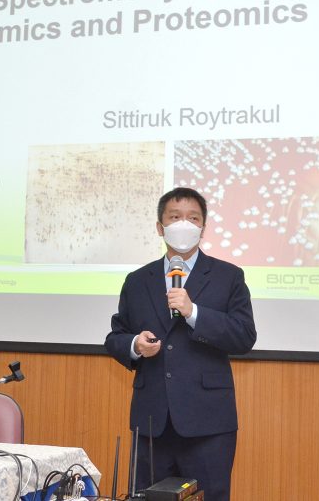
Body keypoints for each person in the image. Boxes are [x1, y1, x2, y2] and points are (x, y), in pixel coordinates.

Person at [105, 187, 257, 501]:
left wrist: (193, 313)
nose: (184, 224)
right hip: (152, 422)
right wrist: (135, 345)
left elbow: (244, 336)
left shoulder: (228, 276)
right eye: (175, 217)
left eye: (193, 218)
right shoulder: (138, 280)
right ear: (160, 227)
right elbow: (115, 337)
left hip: (208, 422)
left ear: (203, 227)